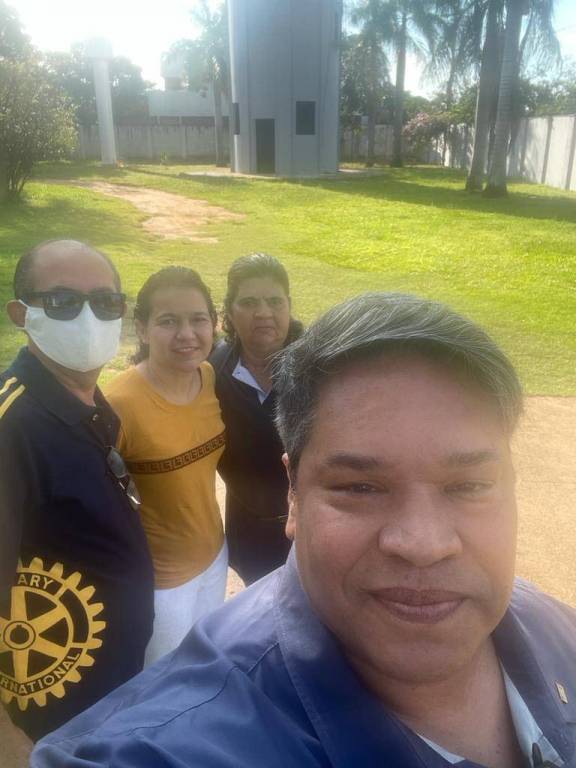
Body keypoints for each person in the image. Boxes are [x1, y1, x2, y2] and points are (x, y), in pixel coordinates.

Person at [32, 292, 576, 768]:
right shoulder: (158, 748)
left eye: (470, 485)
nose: (423, 545)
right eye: (359, 487)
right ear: (293, 493)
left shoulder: (555, 626)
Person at [0, 240, 154, 747]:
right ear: (21, 314)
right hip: (47, 717)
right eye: (63, 301)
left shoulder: (90, 404)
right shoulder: (11, 428)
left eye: (106, 302)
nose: (89, 317)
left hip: (105, 686)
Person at [105, 266, 227, 666]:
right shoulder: (119, 404)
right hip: (162, 581)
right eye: (168, 321)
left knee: (204, 663)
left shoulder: (208, 376)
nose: (186, 334)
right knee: (162, 683)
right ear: (142, 329)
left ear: (214, 323)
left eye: (198, 319)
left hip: (215, 557)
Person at [210, 253, 303, 584]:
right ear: (229, 312)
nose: (264, 313)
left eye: (274, 301)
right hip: (247, 530)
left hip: (308, 530)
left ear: (288, 306)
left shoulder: (318, 367)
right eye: (249, 302)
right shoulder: (211, 372)